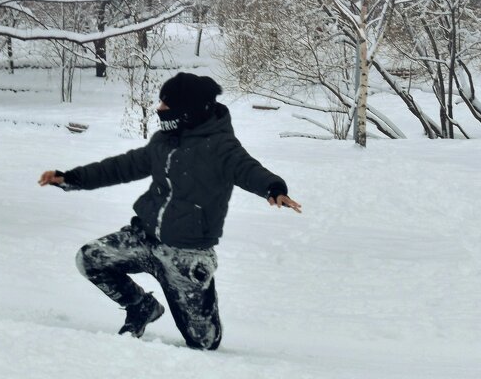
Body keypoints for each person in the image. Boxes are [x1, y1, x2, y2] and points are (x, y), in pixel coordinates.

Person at [38, 72, 301, 351]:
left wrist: (273, 188)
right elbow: (121, 166)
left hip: (186, 255)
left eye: (166, 103)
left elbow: (248, 169)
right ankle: (141, 307)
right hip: (144, 237)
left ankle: (192, 298)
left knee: (204, 343)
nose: (159, 108)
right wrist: (73, 178)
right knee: (90, 259)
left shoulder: (221, 147)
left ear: (187, 111)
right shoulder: (163, 141)